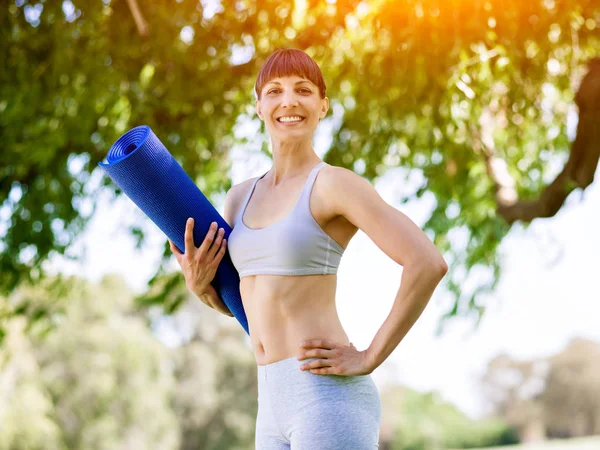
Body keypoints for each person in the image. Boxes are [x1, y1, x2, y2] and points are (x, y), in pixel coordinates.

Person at [169, 48, 448, 449]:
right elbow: (244, 306)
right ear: (259, 106)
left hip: (326, 398)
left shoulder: (333, 184)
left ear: (322, 106)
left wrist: (369, 357)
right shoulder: (239, 197)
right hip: (270, 402)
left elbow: (427, 262)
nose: (289, 101)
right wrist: (201, 288)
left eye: (303, 90)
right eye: (274, 91)